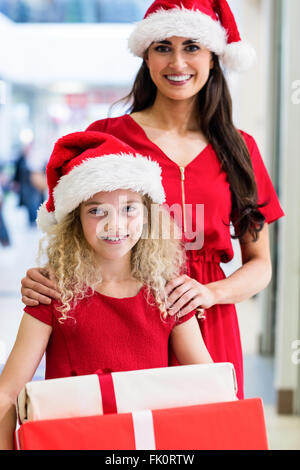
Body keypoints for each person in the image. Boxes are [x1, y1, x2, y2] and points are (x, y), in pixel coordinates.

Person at [20, 0, 285, 400]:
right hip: (126, 321)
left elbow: (261, 264)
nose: (177, 62)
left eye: (192, 46)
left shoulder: (240, 149)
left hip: (208, 322)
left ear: (214, 57)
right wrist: (43, 278)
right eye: (163, 47)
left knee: (210, 430)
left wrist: (211, 293)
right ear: (146, 57)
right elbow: (74, 232)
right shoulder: (109, 137)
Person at [0, 131, 212, 450]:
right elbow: (7, 393)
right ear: (75, 221)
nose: (115, 225)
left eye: (129, 209)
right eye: (97, 211)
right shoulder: (53, 292)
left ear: (148, 216)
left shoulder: (168, 294)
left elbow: (209, 386)